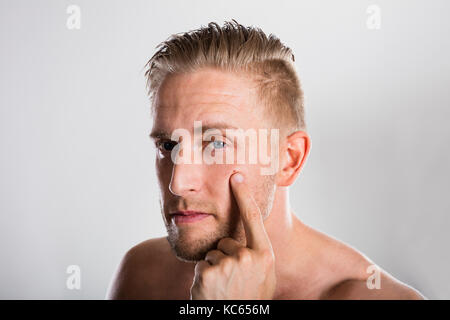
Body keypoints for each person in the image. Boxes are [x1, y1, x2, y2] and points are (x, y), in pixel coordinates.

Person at [106, 20, 425, 300]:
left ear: (288, 160)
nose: (178, 182)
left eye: (215, 143)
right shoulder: (143, 274)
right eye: (167, 144)